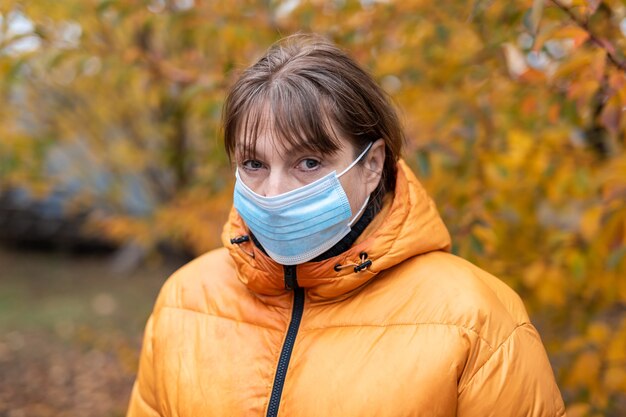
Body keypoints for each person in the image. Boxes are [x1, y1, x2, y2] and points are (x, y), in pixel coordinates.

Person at [127, 34, 566, 417]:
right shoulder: (185, 301)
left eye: (309, 162)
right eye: (254, 163)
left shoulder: (476, 321)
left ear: (372, 165)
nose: (274, 192)